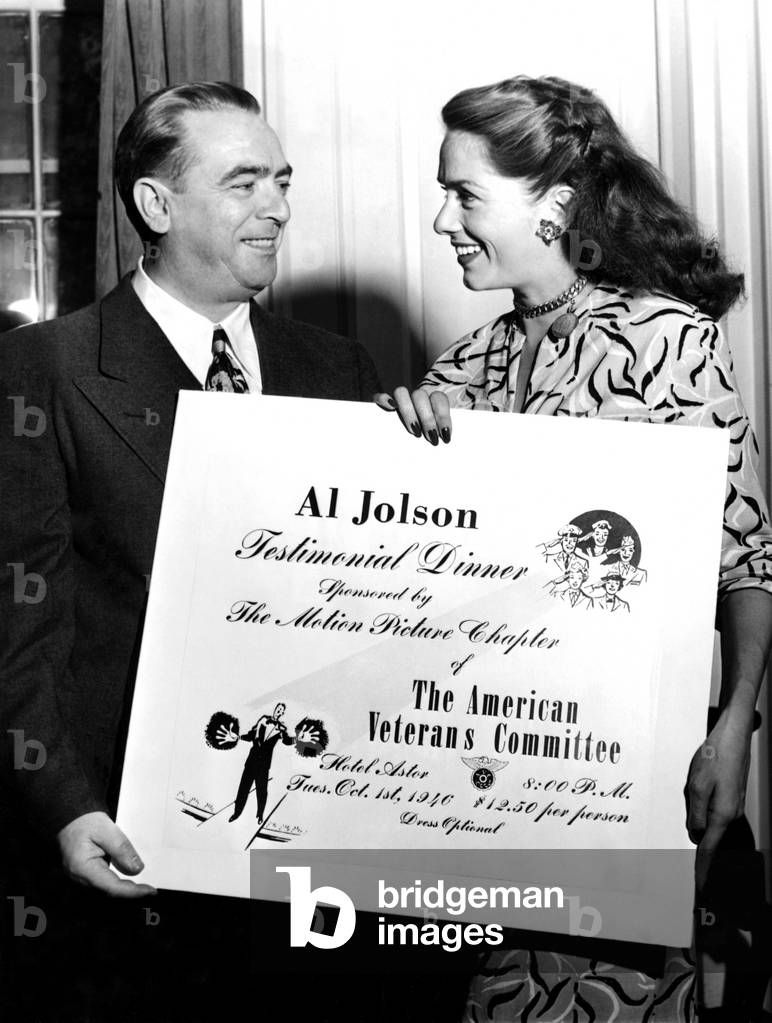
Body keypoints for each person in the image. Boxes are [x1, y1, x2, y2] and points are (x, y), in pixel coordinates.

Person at [376, 74, 772, 1020]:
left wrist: (733, 728)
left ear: (553, 205)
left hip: (625, 796)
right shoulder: (458, 370)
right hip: (480, 802)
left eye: (464, 193)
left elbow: (748, 565)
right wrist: (392, 444)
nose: (443, 221)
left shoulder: (668, 341)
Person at [0, 82, 385, 1021]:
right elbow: (20, 629)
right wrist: (62, 805)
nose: (280, 208)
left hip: (319, 849)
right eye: (245, 182)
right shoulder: (43, 369)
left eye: (283, 181)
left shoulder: (339, 370)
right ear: (155, 205)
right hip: (133, 848)